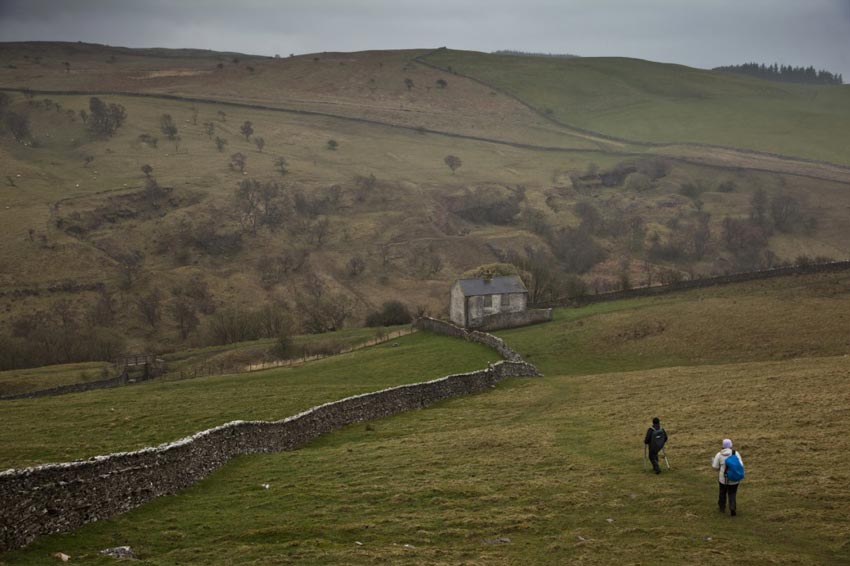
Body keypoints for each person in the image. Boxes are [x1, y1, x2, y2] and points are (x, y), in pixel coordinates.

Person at [712, 438, 744, 516]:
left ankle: (722, 508)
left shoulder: (719, 454)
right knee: (732, 493)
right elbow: (741, 465)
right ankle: (732, 507)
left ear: (722, 446)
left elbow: (715, 467)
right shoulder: (735, 453)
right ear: (731, 445)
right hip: (734, 478)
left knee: (722, 492)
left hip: (723, 478)